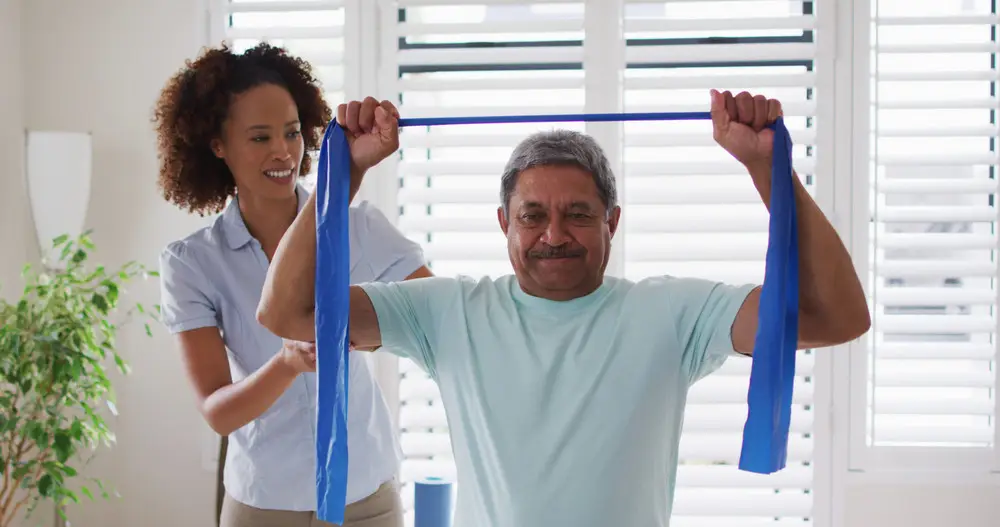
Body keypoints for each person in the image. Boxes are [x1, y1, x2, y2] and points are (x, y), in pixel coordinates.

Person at [256, 91, 871, 527]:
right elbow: (286, 312)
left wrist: (768, 170)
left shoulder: (674, 313)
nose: (554, 235)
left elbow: (838, 317)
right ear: (504, 224)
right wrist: (344, 179)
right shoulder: (448, 311)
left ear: (612, 223)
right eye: (532, 216)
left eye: (578, 214)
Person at [153, 43, 430, 527]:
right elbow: (218, 412)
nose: (283, 151)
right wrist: (286, 364)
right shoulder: (192, 263)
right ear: (218, 145)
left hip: (365, 495)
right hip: (263, 502)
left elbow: (438, 317)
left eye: (292, 132)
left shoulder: (359, 226)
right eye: (260, 137)